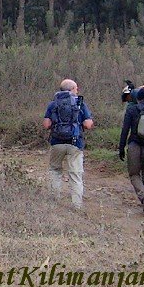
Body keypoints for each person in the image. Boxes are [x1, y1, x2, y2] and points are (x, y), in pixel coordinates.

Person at [43, 79, 95, 210]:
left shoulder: (53, 104)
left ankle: (54, 203)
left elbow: (46, 125)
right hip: (75, 143)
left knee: (55, 170)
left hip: (56, 142)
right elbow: (88, 125)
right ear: (72, 89)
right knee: (75, 174)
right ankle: (76, 206)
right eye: (76, 88)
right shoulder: (80, 103)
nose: (77, 90)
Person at [118, 87, 144, 215]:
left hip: (135, 145)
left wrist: (121, 148)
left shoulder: (132, 110)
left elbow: (125, 130)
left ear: (137, 98)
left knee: (134, 174)